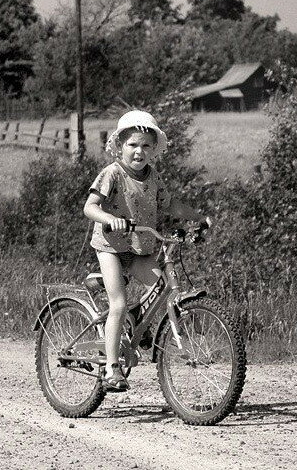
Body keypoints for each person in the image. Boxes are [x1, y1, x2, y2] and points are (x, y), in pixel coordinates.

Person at [83, 110, 208, 392]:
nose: (139, 151)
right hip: (112, 247)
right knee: (118, 303)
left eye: (146, 146)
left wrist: (198, 218)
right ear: (119, 146)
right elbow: (89, 207)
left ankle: (138, 323)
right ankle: (112, 368)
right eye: (132, 145)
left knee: (163, 285)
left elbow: (171, 205)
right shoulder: (112, 173)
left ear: (153, 150)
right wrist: (109, 219)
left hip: (140, 248)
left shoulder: (153, 177)